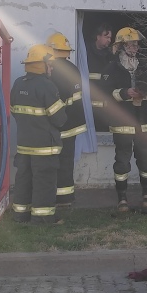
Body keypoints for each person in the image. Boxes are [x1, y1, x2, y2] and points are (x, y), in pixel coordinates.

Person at [101, 27, 147, 214]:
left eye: (136, 43)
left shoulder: (144, 64)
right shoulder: (112, 67)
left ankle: (146, 196)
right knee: (122, 161)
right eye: (132, 43)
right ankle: (122, 199)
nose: (136, 47)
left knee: (145, 159)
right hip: (122, 122)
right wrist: (126, 93)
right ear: (121, 46)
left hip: (143, 120)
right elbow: (105, 93)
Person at [10, 45, 67, 225]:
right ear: (41, 65)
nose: (51, 68)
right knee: (44, 181)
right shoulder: (47, 86)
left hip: (24, 144)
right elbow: (59, 119)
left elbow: (14, 110)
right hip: (44, 146)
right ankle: (43, 218)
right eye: (49, 65)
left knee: (23, 179)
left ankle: (21, 215)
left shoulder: (18, 83)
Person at [46, 32, 86, 207]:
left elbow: (56, 101)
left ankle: (58, 197)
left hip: (60, 124)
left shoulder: (54, 71)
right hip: (74, 124)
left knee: (55, 161)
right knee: (67, 160)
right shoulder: (73, 68)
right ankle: (67, 197)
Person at [86, 23, 114, 132]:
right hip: (89, 98)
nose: (109, 40)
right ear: (98, 37)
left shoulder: (110, 55)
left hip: (105, 100)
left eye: (110, 38)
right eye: (106, 37)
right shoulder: (86, 52)